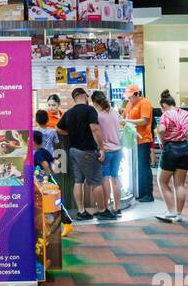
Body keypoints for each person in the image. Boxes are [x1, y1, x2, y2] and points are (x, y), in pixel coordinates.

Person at [56, 87, 113, 222]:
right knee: (96, 182)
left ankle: (81, 211)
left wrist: (69, 133)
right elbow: (95, 128)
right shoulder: (90, 110)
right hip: (87, 151)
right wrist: (101, 147)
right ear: (84, 96)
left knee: (78, 181)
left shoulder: (69, 112)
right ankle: (102, 210)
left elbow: (58, 128)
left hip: (73, 151)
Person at [155, 90, 188, 224]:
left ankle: (170, 212)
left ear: (163, 105)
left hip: (171, 149)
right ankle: (178, 214)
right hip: (185, 149)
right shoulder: (186, 113)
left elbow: (160, 130)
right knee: (180, 185)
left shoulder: (166, 115)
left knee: (163, 182)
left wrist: (162, 140)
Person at [92, 90, 125, 218]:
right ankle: (117, 208)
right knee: (115, 179)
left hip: (106, 151)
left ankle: (106, 207)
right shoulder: (113, 113)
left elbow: (96, 132)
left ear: (95, 102)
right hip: (118, 150)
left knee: (105, 179)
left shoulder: (98, 116)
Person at [122, 84, 155, 204]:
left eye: (131, 96)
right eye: (128, 97)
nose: (129, 99)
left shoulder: (145, 103)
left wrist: (126, 121)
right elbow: (123, 116)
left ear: (137, 94)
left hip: (143, 140)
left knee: (143, 167)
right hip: (133, 140)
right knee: (136, 168)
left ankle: (148, 194)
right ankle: (139, 192)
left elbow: (144, 120)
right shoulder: (130, 104)